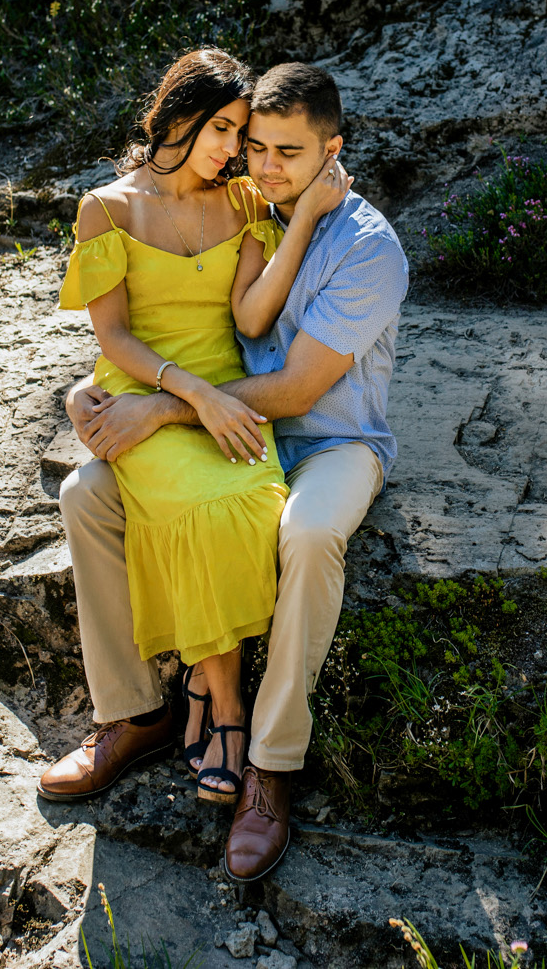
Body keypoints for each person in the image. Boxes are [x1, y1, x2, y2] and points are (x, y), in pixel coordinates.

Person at [39, 62, 408, 884]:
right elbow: (172, 321)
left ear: (332, 151)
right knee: (85, 496)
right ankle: (136, 713)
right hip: (227, 429)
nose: (263, 163)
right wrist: (95, 390)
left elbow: (296, 388)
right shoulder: (245, 206)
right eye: (253, 144)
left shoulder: (367, 247)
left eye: (286, 150)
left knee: (307, 534)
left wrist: (172, 408)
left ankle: (269, 765)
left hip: (326, 442)